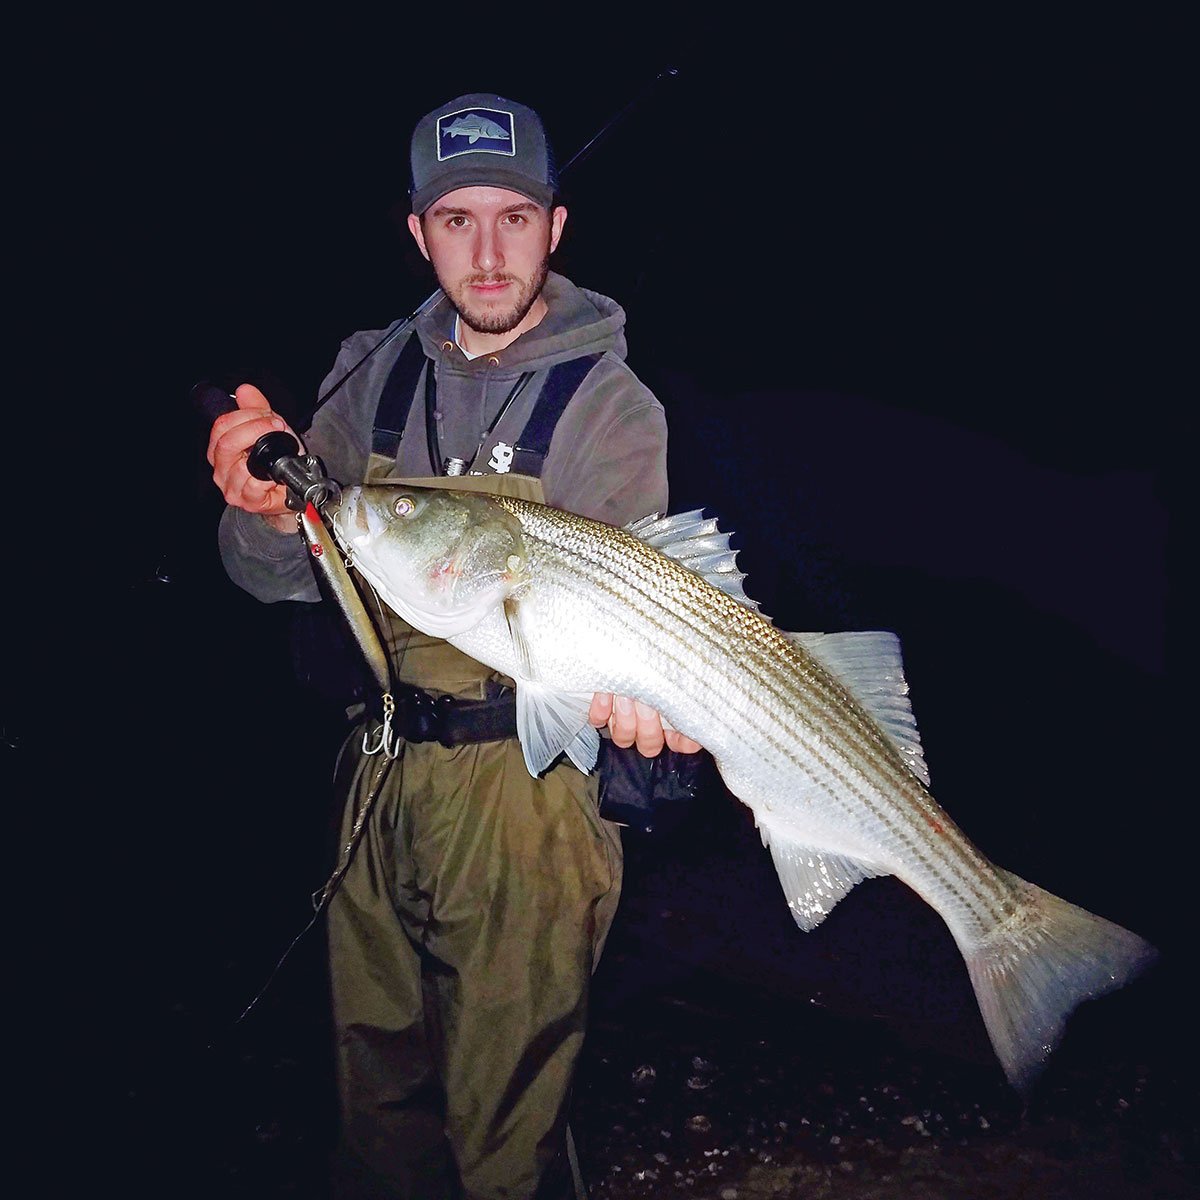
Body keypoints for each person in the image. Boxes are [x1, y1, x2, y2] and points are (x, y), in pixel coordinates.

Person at [207, 91, 700, 1199]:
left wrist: (636, 697)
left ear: (555, 230)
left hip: (525, 790)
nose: (487, 253)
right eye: (457, 220)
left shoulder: (611, 405)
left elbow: (627, 619)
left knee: (506, 1114)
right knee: (372, 1094)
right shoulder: (365, 375)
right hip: (377, 773)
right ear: (419, 232)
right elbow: (272, 579)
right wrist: (261, 512)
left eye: (514, 219)